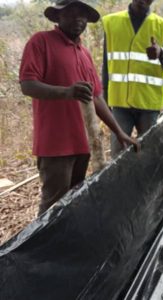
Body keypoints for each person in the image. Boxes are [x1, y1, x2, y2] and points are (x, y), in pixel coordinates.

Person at [19, 0, 140, 215]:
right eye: (71, 13)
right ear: (57, 17)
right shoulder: (41, 42)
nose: (78, 19)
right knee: (53, 205)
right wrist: (67, 92)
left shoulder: (84, 53)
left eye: (83, 15)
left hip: (83, 143)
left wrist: (119, 132)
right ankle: (45, 248)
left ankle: (68, 245)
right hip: (55, 144)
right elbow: (28, 85)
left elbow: (96, 97)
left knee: (75, 200)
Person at [102, 0, 163, 157]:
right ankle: (122, 182)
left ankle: (146, 182)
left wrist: (161, 54)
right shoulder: (111, 22)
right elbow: (106, 63)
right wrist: (105, 94)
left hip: (149, 103)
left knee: (149, 152)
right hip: (120, 102)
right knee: (118, 154)